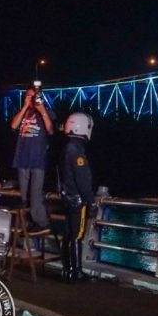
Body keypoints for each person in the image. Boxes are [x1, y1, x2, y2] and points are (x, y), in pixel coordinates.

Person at [10, 86, 54, 229]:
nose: (30, 99)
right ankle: (27, 225)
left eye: (33, 96)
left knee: (36, 195)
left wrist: (42, 111)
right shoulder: (23, 112)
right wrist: (24, 107)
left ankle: (42, 223)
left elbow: (51, 130)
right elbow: (13, 125)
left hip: (38, 160)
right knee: (24, 197)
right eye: (27, 96)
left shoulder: (45, 112)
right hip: (22, 159)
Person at [60, 112, 96, 283]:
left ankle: (67, 270)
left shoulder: (66, 147)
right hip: (77, 199)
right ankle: (76, 272)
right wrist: (90, 200)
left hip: (66, 197)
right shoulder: (77, 150)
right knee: (77, 235)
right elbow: (82, 178)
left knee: (68, 234)